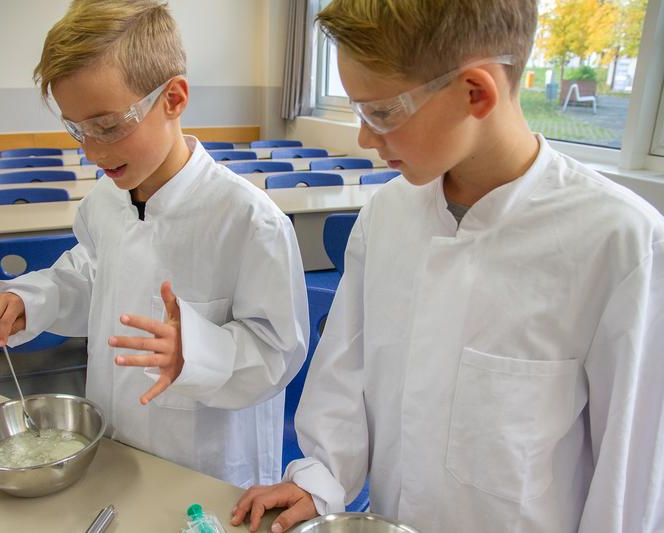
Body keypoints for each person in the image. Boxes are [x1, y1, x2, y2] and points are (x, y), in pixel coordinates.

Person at [232, 1, 664, 532]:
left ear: (475, 92)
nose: (364, 139)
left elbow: (630, 475)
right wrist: (320, 477)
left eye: (382, 113)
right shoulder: (388, 215)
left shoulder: (620, 244)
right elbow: (346, 372)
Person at [0, 0, 309, 488]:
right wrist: (35, 300)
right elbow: (90, 276)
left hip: (208, 469)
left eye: (109, 126)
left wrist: (196, 352)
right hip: (115, 446)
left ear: (173, 98)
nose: (93, 150)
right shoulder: (104, 202)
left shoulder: (248, 221)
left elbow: (278, 353)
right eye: (77, 130)